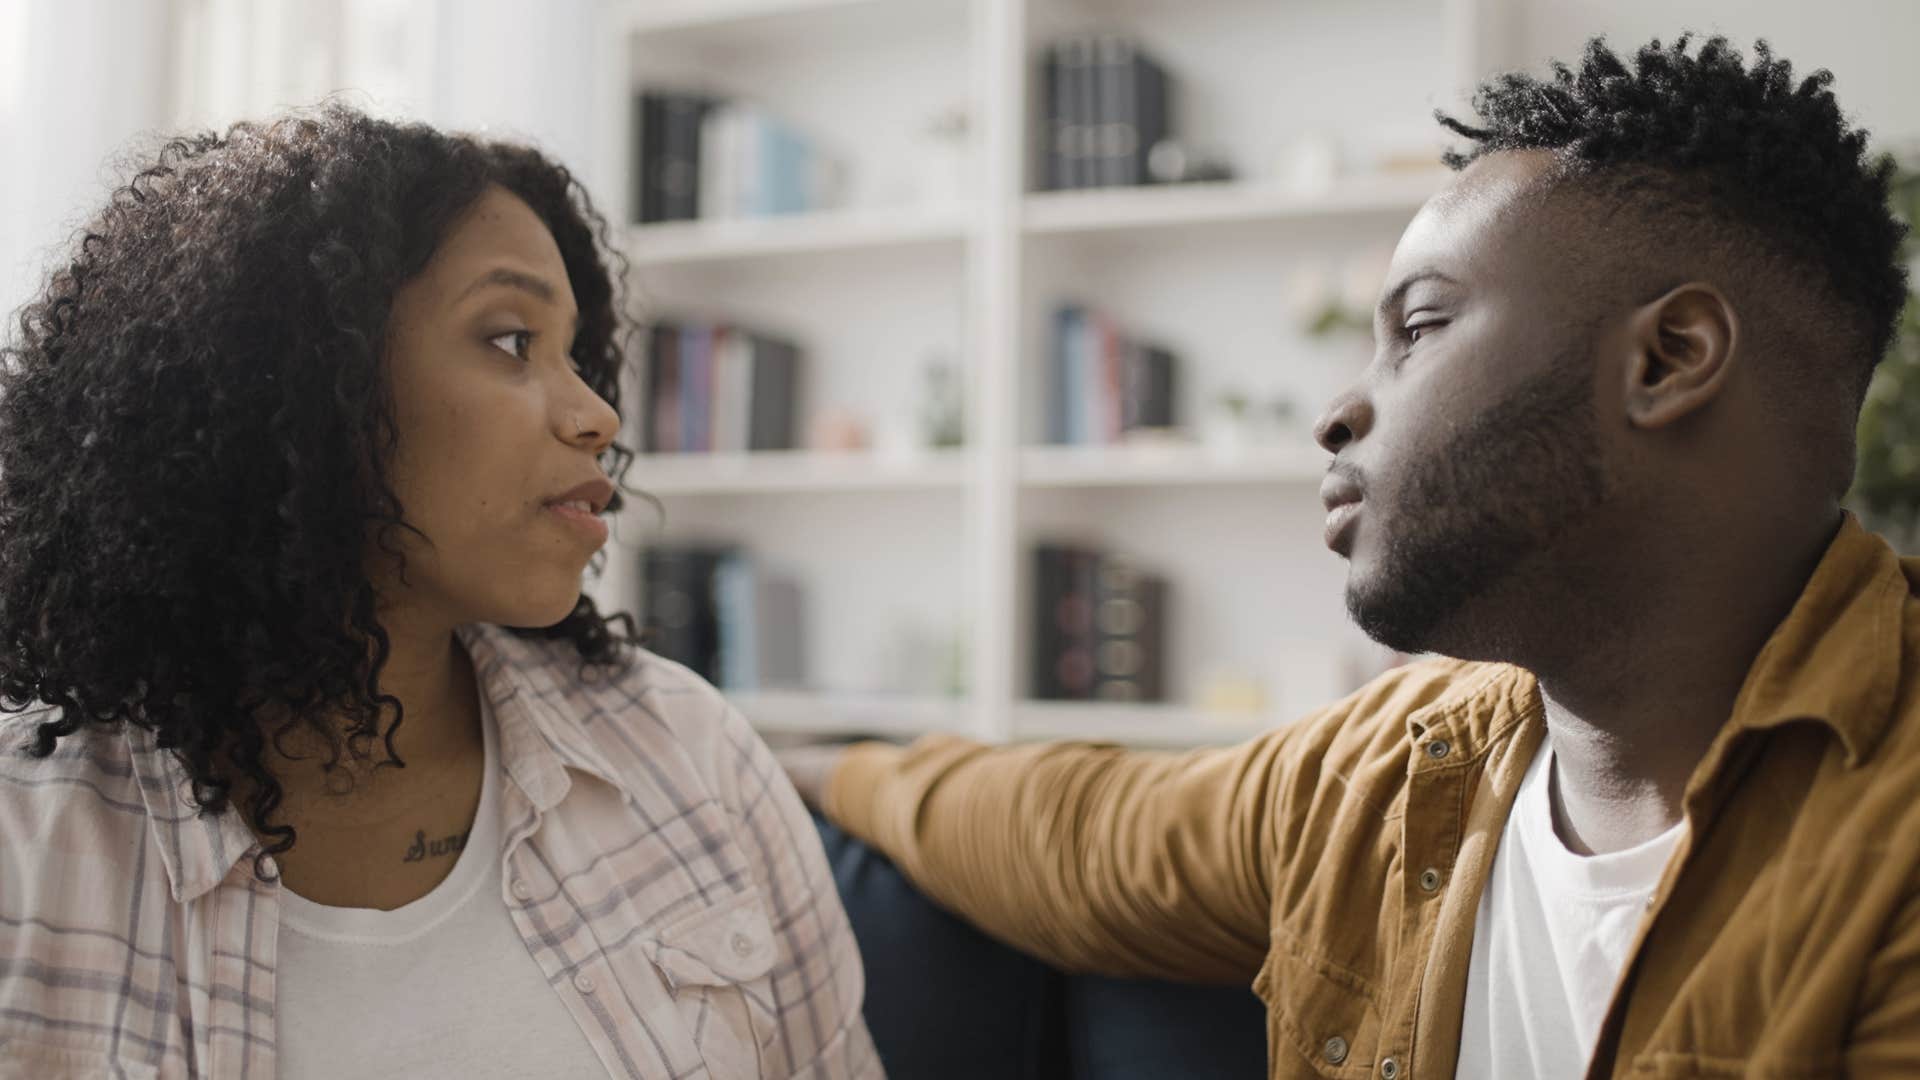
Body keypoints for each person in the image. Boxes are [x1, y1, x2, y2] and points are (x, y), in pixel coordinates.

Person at [786, 35, 1920, 1078]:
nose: (1337, 413)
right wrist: (807, 771)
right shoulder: (1396, 767)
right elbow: (1084, 833)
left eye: (1417, 330)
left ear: (1668, 359)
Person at [0, 105, 879, 1079]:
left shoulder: (690, 756)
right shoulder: (28, 839)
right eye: (511, 341)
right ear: (304, 384)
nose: (597, 413)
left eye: (577, 356)